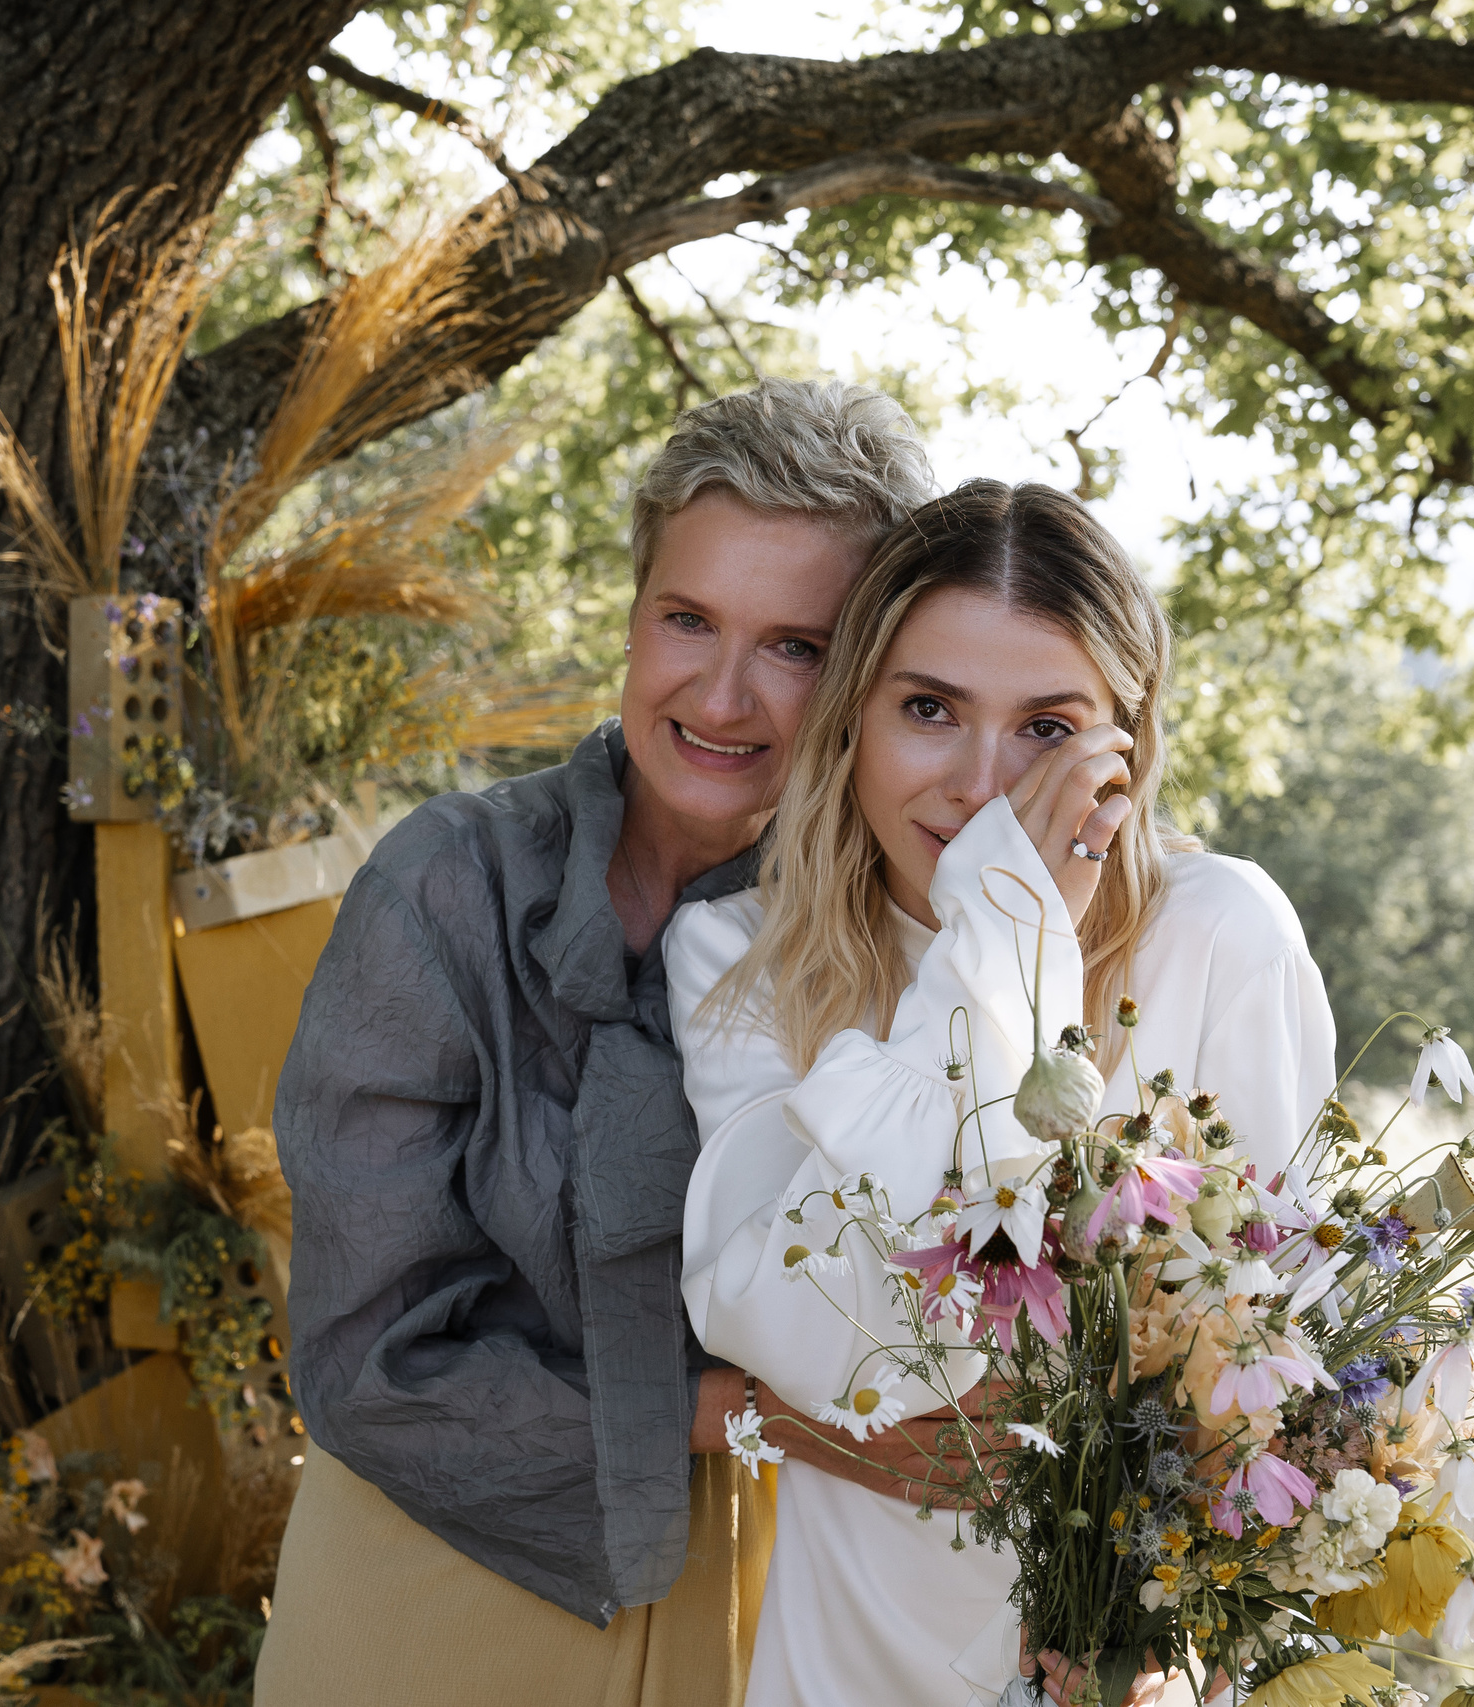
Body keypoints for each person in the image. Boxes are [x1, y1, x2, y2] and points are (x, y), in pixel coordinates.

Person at [256, 380, 940, 1707]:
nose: (722, 694)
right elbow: (366, 1364)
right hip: (427, 1587)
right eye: (688, 619)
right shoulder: (445, 888)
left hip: (737, 1604)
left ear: (865, 675)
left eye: (795, 645)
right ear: (633, 618)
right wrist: (772, 1417)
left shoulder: (893, 947)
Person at [668, 480, 1336, 1706]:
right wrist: (1006, 945)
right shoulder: (741, 959)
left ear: (1125, 744)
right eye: (928, 709)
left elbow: (1283, 1343)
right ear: (854, 716)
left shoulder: (1218, 933)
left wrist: (1171, 1635)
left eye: (1045, 728)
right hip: (848, 1659)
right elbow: (820, 1342)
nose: (981, 786)